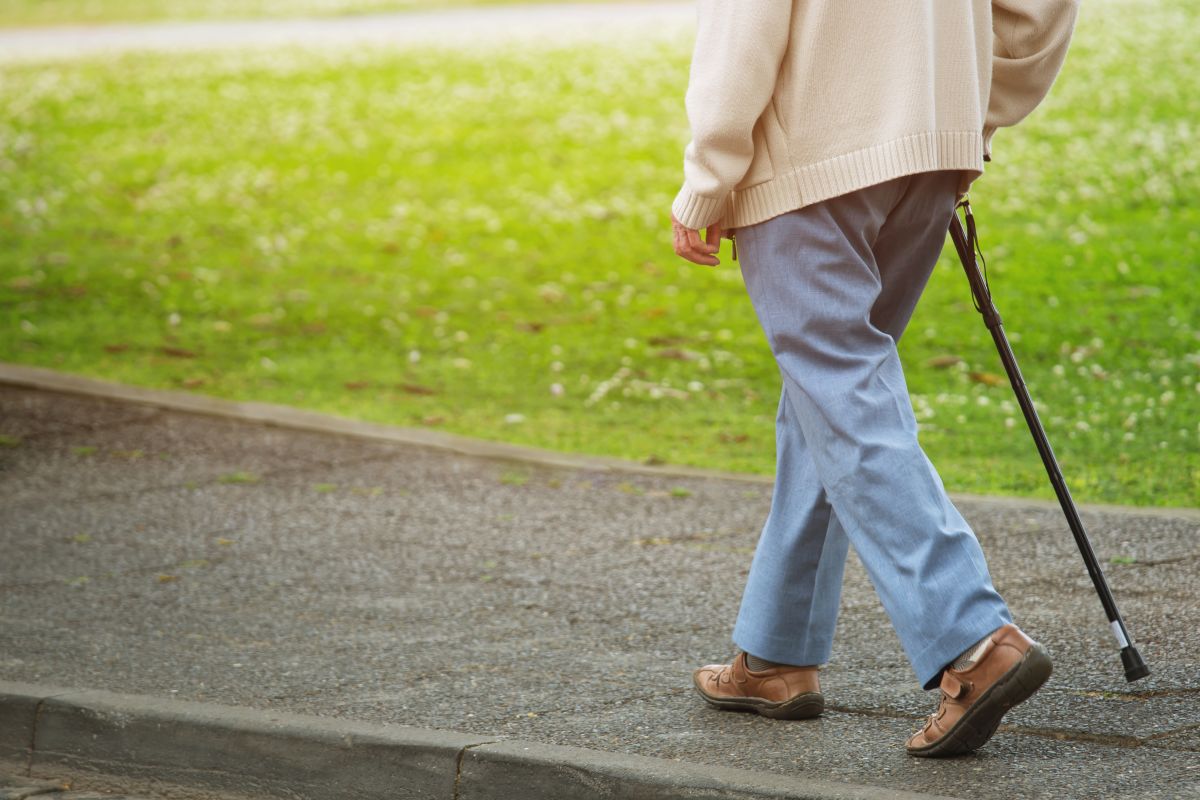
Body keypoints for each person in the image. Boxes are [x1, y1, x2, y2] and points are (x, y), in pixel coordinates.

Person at [670, 0, 1079, 757]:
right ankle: (775, 655)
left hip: (810, 160)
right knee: (827, 400)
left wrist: (709, 175)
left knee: (841, 393)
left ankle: (974, 639)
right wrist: (962, 113)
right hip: (930, 154)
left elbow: (744, 21)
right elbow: (1039, 9)